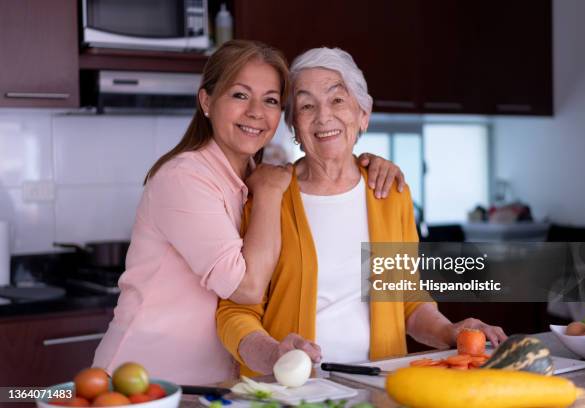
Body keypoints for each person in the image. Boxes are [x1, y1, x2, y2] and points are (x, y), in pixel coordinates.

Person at [92, 40, 407, 385]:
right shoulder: (186, 178)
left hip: (216, 383)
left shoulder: (252, 179)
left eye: (270, 100)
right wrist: (271, 192)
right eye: (240, 95)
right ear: (207, 101)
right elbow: (246, 289)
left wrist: (371, 164)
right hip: (146, 377)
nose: (256, 111)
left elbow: (406, 292)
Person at [216, 47, 508, 376]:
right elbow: (235, 312)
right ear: (294, 126)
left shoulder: (390, 193)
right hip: (294, 392)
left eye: (337, 100)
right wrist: (272, 354)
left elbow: (407, 300)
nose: (323, 116)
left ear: (363, 115)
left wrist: (449, 332)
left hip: (376, 386)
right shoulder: (269, 197)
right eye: (306, 105)